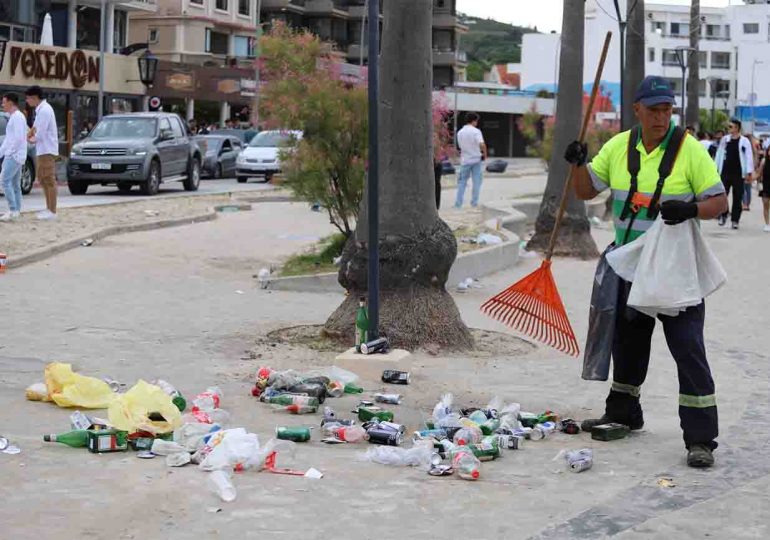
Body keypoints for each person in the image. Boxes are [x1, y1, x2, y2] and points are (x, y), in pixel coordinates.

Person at [565, 76, 728, 468]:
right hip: (631, 262)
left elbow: (719, 201)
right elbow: (586, 192)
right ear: (636, 110)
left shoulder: (689, 150)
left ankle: (701, 438)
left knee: (687, 348)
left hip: (676, 266)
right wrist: (575, 164)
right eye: (653, 110)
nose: (661, 116)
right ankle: (623, 412)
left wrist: (690, 209)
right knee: (629, 341)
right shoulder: (618, 147)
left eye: (666, 110)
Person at [25, 86, 59, 220]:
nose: (27, 101)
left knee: (49, 179)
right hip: (42, 149)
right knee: (43, 179)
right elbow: (35, 127)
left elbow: (41, 131)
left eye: (28, 98)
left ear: (35, 97)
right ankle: (48, 208)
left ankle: (52, 211)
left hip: (47, 149)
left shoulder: (45, 110)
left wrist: (31, 139)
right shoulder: (40, 110)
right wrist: (30, 134)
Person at [715, 119, 753, 229]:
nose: (729, 129)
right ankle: (723, 215)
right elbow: (719, 154)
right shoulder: (724, 140)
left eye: (731, 127)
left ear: (737, 128)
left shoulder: (744, 141)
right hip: (725, 172)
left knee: (737, 197)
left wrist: (748, 172)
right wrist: (715, 169)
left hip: (738, 174)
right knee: (722, 195)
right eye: (728, 127)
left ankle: (735, 220)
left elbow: (748, 156)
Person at [0, 93, 27, 222]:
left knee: (4, 181)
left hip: (14, 155)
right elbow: (9, 139)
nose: (2, 104)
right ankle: (16, 211)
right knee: (15, 184)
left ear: (10, 103)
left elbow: (17, 138)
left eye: (4, 102)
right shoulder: (15, 117)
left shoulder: (17, 117)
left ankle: (12, 210)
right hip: (17, 155)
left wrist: (9, 153)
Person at [454, 112, 487, 208]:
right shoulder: (476, 131)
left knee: (462, 182)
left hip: (465, 160)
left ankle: (458, 204)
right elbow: (481, 144)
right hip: (476, 160)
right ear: (474, 120)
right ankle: (474, 203)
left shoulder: (460, 132)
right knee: (476, 182)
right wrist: (485, 153)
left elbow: (460, 147)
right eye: (476, 120)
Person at [759, 145, 770, 232]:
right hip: (766, 186)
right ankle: (767, 224)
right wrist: (751, 179)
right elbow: (759, 173)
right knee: (765, 204)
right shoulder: (764, 161)